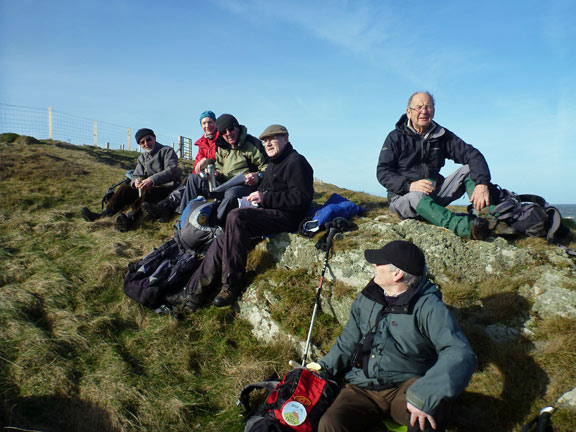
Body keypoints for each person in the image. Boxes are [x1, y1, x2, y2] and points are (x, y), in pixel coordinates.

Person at [314, 240, 477, 432]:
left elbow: (460, 353)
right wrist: (322, 370)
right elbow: (348, 340)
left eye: (380, 262)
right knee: (330, 424)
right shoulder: (367, 298)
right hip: (362, 387)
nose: (374, 265)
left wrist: (424, 395)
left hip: (407, 386)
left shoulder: (428, 307)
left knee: (425, 422)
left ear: (397, 274)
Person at [168, 124, 314, 310]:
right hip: (269, 213)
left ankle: (232, 284)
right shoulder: (272, 165)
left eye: (273, 139)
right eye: (265, 141)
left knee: (237, 217)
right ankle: (191, 295)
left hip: (287, 217)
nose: (268, 144)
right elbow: (264, 190)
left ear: (286, 138)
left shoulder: (296, 162)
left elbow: (302, 199)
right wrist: (252, 199)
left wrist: (265, 198)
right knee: (222, 240)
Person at [377, 91, 493, 240]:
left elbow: (472, 155)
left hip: (434, 193)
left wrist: (482, 184)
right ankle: (465, 228)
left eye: (428, 107)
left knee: (470, 169)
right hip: (404, 198)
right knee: (416, 196)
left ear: (433, 111)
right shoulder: (395, 137)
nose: (424, 111)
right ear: (408, 112)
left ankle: (487, 218)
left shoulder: (442, 135)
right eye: (418, 107)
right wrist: (409, 186)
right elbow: (383, 171)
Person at [145, 114, 267, 224]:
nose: (228, 133)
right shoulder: (222, 146)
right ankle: (184, 218)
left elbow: (268, 167)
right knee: (193, 179)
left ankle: (216, 223)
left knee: (232, 193)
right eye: (224, 132)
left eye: (231, 129)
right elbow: (219, 166)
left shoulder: (252, 144)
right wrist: (215, 173)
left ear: (237, 127)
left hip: (245, 186)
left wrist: (258, 176)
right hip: (223, 184)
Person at [81, 128, 180, 231]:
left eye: (148, 139)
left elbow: (171, 170)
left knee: (148, 192)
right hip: (147, 186)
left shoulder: (167, 151)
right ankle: (105, 213)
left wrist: (151, 180)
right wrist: (135, 182)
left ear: (154, 138)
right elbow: (137, 174)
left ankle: (131, 218)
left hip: (166, 187)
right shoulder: (142, 158)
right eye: (142, 142)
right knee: (124, 189)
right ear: (140, 144)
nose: (146, 143)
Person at [142, 110, 219, 221]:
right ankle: (166, 209)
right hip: (202, 176)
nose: (207, 126)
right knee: (187, 182)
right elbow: (197, 166)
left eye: (210, 122)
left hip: (214, 176)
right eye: (204, 123)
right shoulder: (203, 143)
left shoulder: (221, 139)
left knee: (188, 182)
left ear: (215, 123)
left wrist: (206, 160)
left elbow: (220, 158)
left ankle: (167, 209)